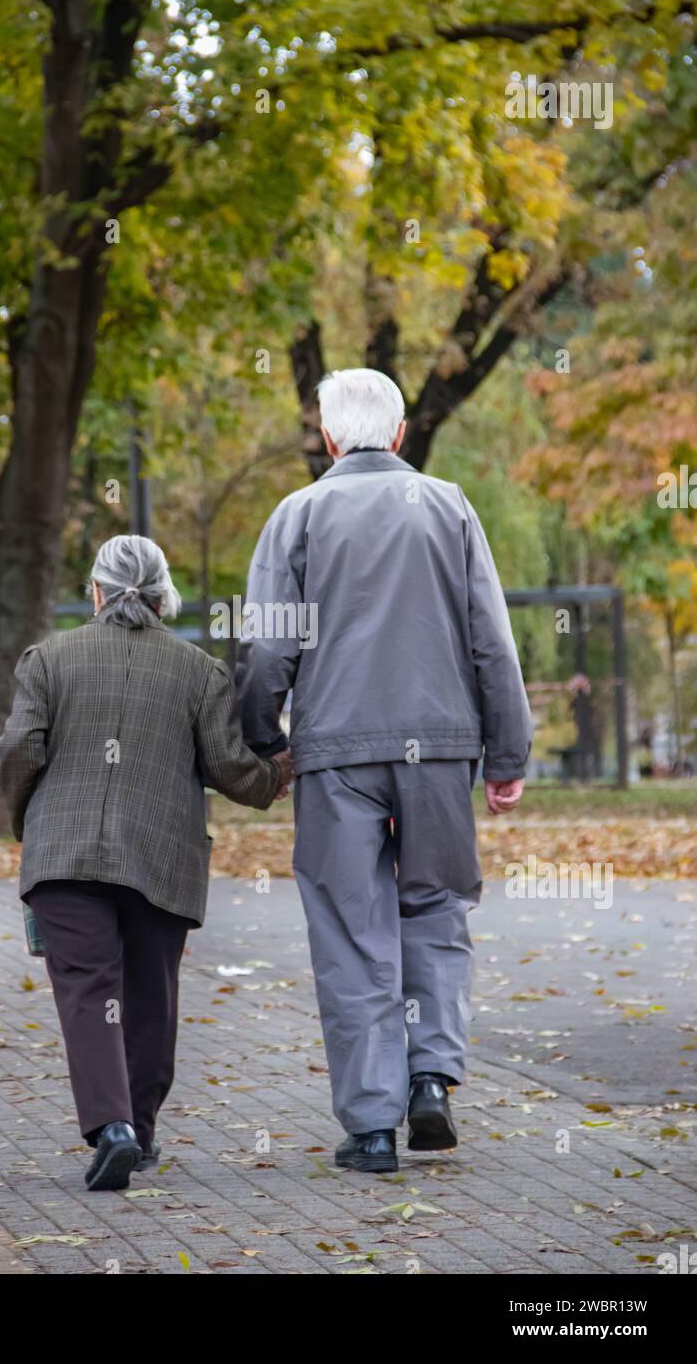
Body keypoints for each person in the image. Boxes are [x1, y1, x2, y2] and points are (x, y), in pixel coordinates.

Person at [237, 368, 532, 1172]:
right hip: (439, 747)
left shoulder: (297, 516)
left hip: (336, 750)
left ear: (329, 438)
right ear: (399, 435)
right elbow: (491, 642)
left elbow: (267, 646)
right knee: (436, 910)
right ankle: (431, 1076)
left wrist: (265, 739)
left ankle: (371, 1127)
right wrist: (506, 753)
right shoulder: (450, 507)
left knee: (350, 927)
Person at [0, 535, 293, 1192]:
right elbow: (230, 770)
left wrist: (30, 821)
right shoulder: (200, 671)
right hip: (162, 857)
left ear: (96, 593)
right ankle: (143, 1128)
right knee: (150, 993)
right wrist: (282, 769)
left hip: (65, 858)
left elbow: (19, 748)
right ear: (164, 598)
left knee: (88, 991)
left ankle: (113, 1130)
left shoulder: (47, 659)